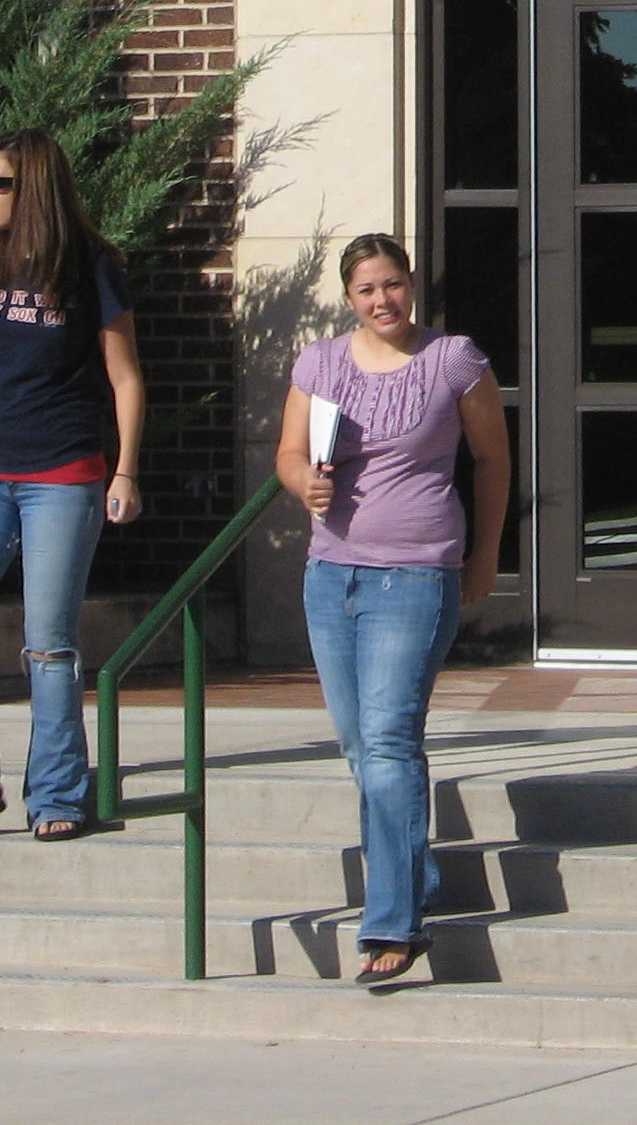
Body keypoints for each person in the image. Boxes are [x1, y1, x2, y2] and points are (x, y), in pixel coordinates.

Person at [274, 233, 510, 987]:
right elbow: (286, 452)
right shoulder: (321, 364)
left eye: (395, 285)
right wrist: (299, 487)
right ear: (350, 298)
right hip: (330, 575)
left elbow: (493, 460)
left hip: (414, 575)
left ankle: (394, 922)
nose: (384, 301)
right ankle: (411, 877)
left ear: (413, 285)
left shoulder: (455, 361)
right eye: (368, 290)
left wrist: (484, 557)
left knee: (388, 741)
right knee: (357, 745)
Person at [0, 129, 144, 844]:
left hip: (63, 476)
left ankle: (58, 793)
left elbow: (125, 374)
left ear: (33, 187)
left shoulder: (92, 268)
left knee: (48, 645)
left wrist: (125, 467)